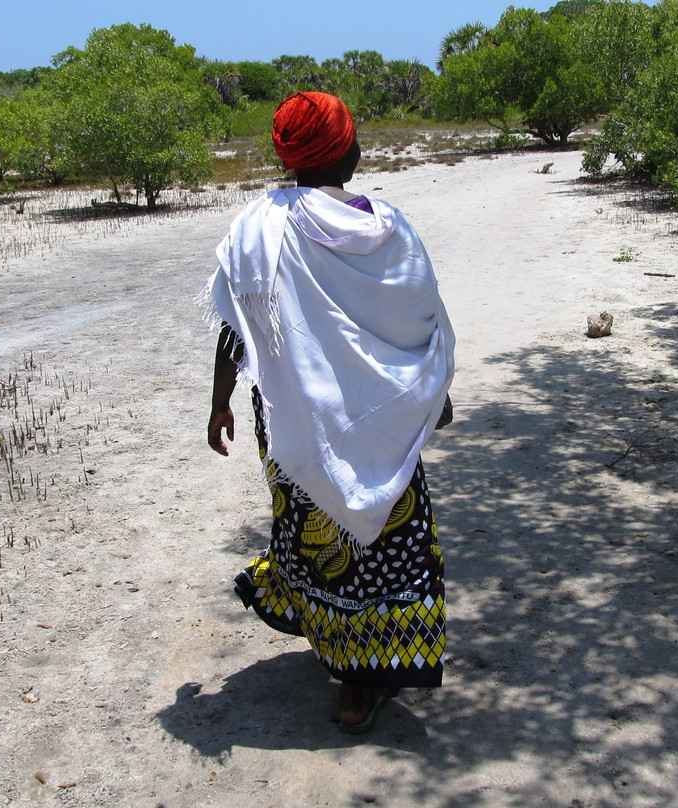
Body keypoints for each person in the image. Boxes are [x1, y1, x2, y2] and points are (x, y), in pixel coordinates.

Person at [204, 92, 455, 734]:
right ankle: (358, 685)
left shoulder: (255, 228)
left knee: (318, 532)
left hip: (292, 419)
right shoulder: (385, 228)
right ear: (346, 149)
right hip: (377, 416)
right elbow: (413, 322)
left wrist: (219, 402)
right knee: (384, 532)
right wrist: (436, 395)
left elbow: (241, 326)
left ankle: (336, 650)